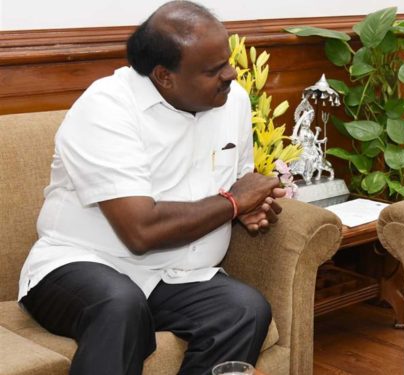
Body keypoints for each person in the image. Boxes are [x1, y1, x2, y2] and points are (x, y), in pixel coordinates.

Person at [17, 1, 286, 374]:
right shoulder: (106, 107)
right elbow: (140, 230)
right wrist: (233, 203)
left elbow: (237, 187)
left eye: (228, 61)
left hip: (174, 278)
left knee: (244, 309)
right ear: (164, 76)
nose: (231, 75)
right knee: (120, 304)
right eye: (214, 70)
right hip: (80, 265)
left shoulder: (233, 102)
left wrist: (249, 208)